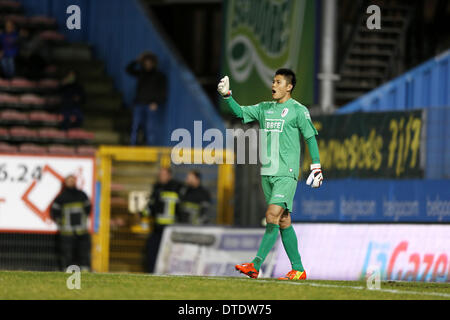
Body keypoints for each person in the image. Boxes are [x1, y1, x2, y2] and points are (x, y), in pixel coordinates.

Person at [217, 69, 323, 281]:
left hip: (286, 173)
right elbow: (240, 112)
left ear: (289, 86)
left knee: (271, 216)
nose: (273, 85)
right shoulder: (265, 108)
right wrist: (227, 95)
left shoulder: (298, 110)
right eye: (273, 81)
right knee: (283, 221)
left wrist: (316, 167)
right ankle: (298, 269)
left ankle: (255, 265)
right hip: (268, 173)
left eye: (278, 82)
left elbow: (310, 137)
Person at [143, 167, 182, 273]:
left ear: (169, 175)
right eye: (160, 174)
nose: (161, 177)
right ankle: (152, 272)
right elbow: (151, 206)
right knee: (152, 250)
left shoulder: (177, 187)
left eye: (163, 174)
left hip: (172, 229)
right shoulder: (157, 188)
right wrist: (142, 214)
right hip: (158, 228)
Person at [50, 175, 92, 271]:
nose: (71, 182)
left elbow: (88, 208)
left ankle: (85, 270)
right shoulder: (61, 197)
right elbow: (54, 212)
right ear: (65, 183)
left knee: (83, 252)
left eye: (72, 180)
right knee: (67, 253)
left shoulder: (82, 195)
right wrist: (61, 222)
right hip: (67, 233)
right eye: (69, 181)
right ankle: (67, 270)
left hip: (81, 231)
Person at [126, 52, 167, 146]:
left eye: (150, 63)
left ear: (154, 63)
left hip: (151, 105)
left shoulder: (160, 76)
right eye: (146, 63)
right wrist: (136, 61)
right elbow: (128, 70)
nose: (148, 65)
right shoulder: (141, 73)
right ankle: (132, 146)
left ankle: (150, 148)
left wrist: (156, 102)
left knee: (150, 128)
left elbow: (163, 91)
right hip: (139, 104)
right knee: (135, 126)